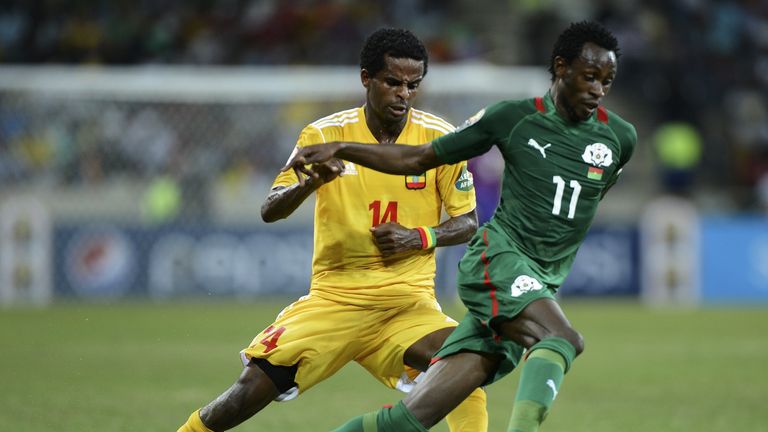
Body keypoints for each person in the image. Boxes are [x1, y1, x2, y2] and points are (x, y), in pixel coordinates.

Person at [284, 21, 637, 432]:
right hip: (497, 259)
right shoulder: (512, 118)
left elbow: (584, 205)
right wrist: (343, 147)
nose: (597, 89)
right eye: (589, 77)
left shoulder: (620, 139)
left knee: (412, 417)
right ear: (560, 67)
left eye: (607, 81)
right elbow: (417, 158)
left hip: (543, 277)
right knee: (562, 339)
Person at [178, 28, 488, 432]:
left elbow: (468, 222)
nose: (403, 94)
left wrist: (419, 237)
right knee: (248, 390)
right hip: (336, 299)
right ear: (366, 78)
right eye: (393, 82)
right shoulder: (323, 136)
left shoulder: (440, 140)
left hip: (407, 304)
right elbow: (270, 209)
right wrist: (310, 183)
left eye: (413, 85)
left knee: (465, 365)